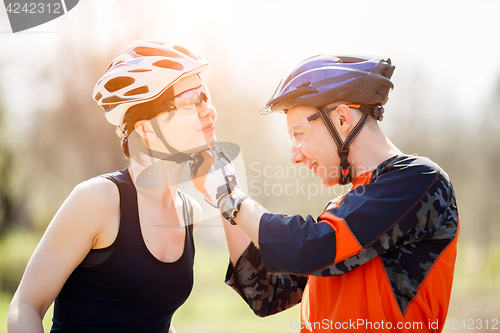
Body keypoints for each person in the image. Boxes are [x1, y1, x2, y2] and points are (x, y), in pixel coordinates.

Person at [189, 55, 459, 332]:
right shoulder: (344, 208)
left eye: (298, 133)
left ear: (342, 118)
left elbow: (310, 247)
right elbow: (266, 295)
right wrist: (223, 196)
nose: (294, 156)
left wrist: (231, 196)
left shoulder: (419, 180)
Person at [8, 40, 218, 332]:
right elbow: (26, 306)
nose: (210, 111)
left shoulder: (189, 213)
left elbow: (151, 318)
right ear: (147, 129)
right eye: (192, 99)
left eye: (205, 96)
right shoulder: (97, 201)